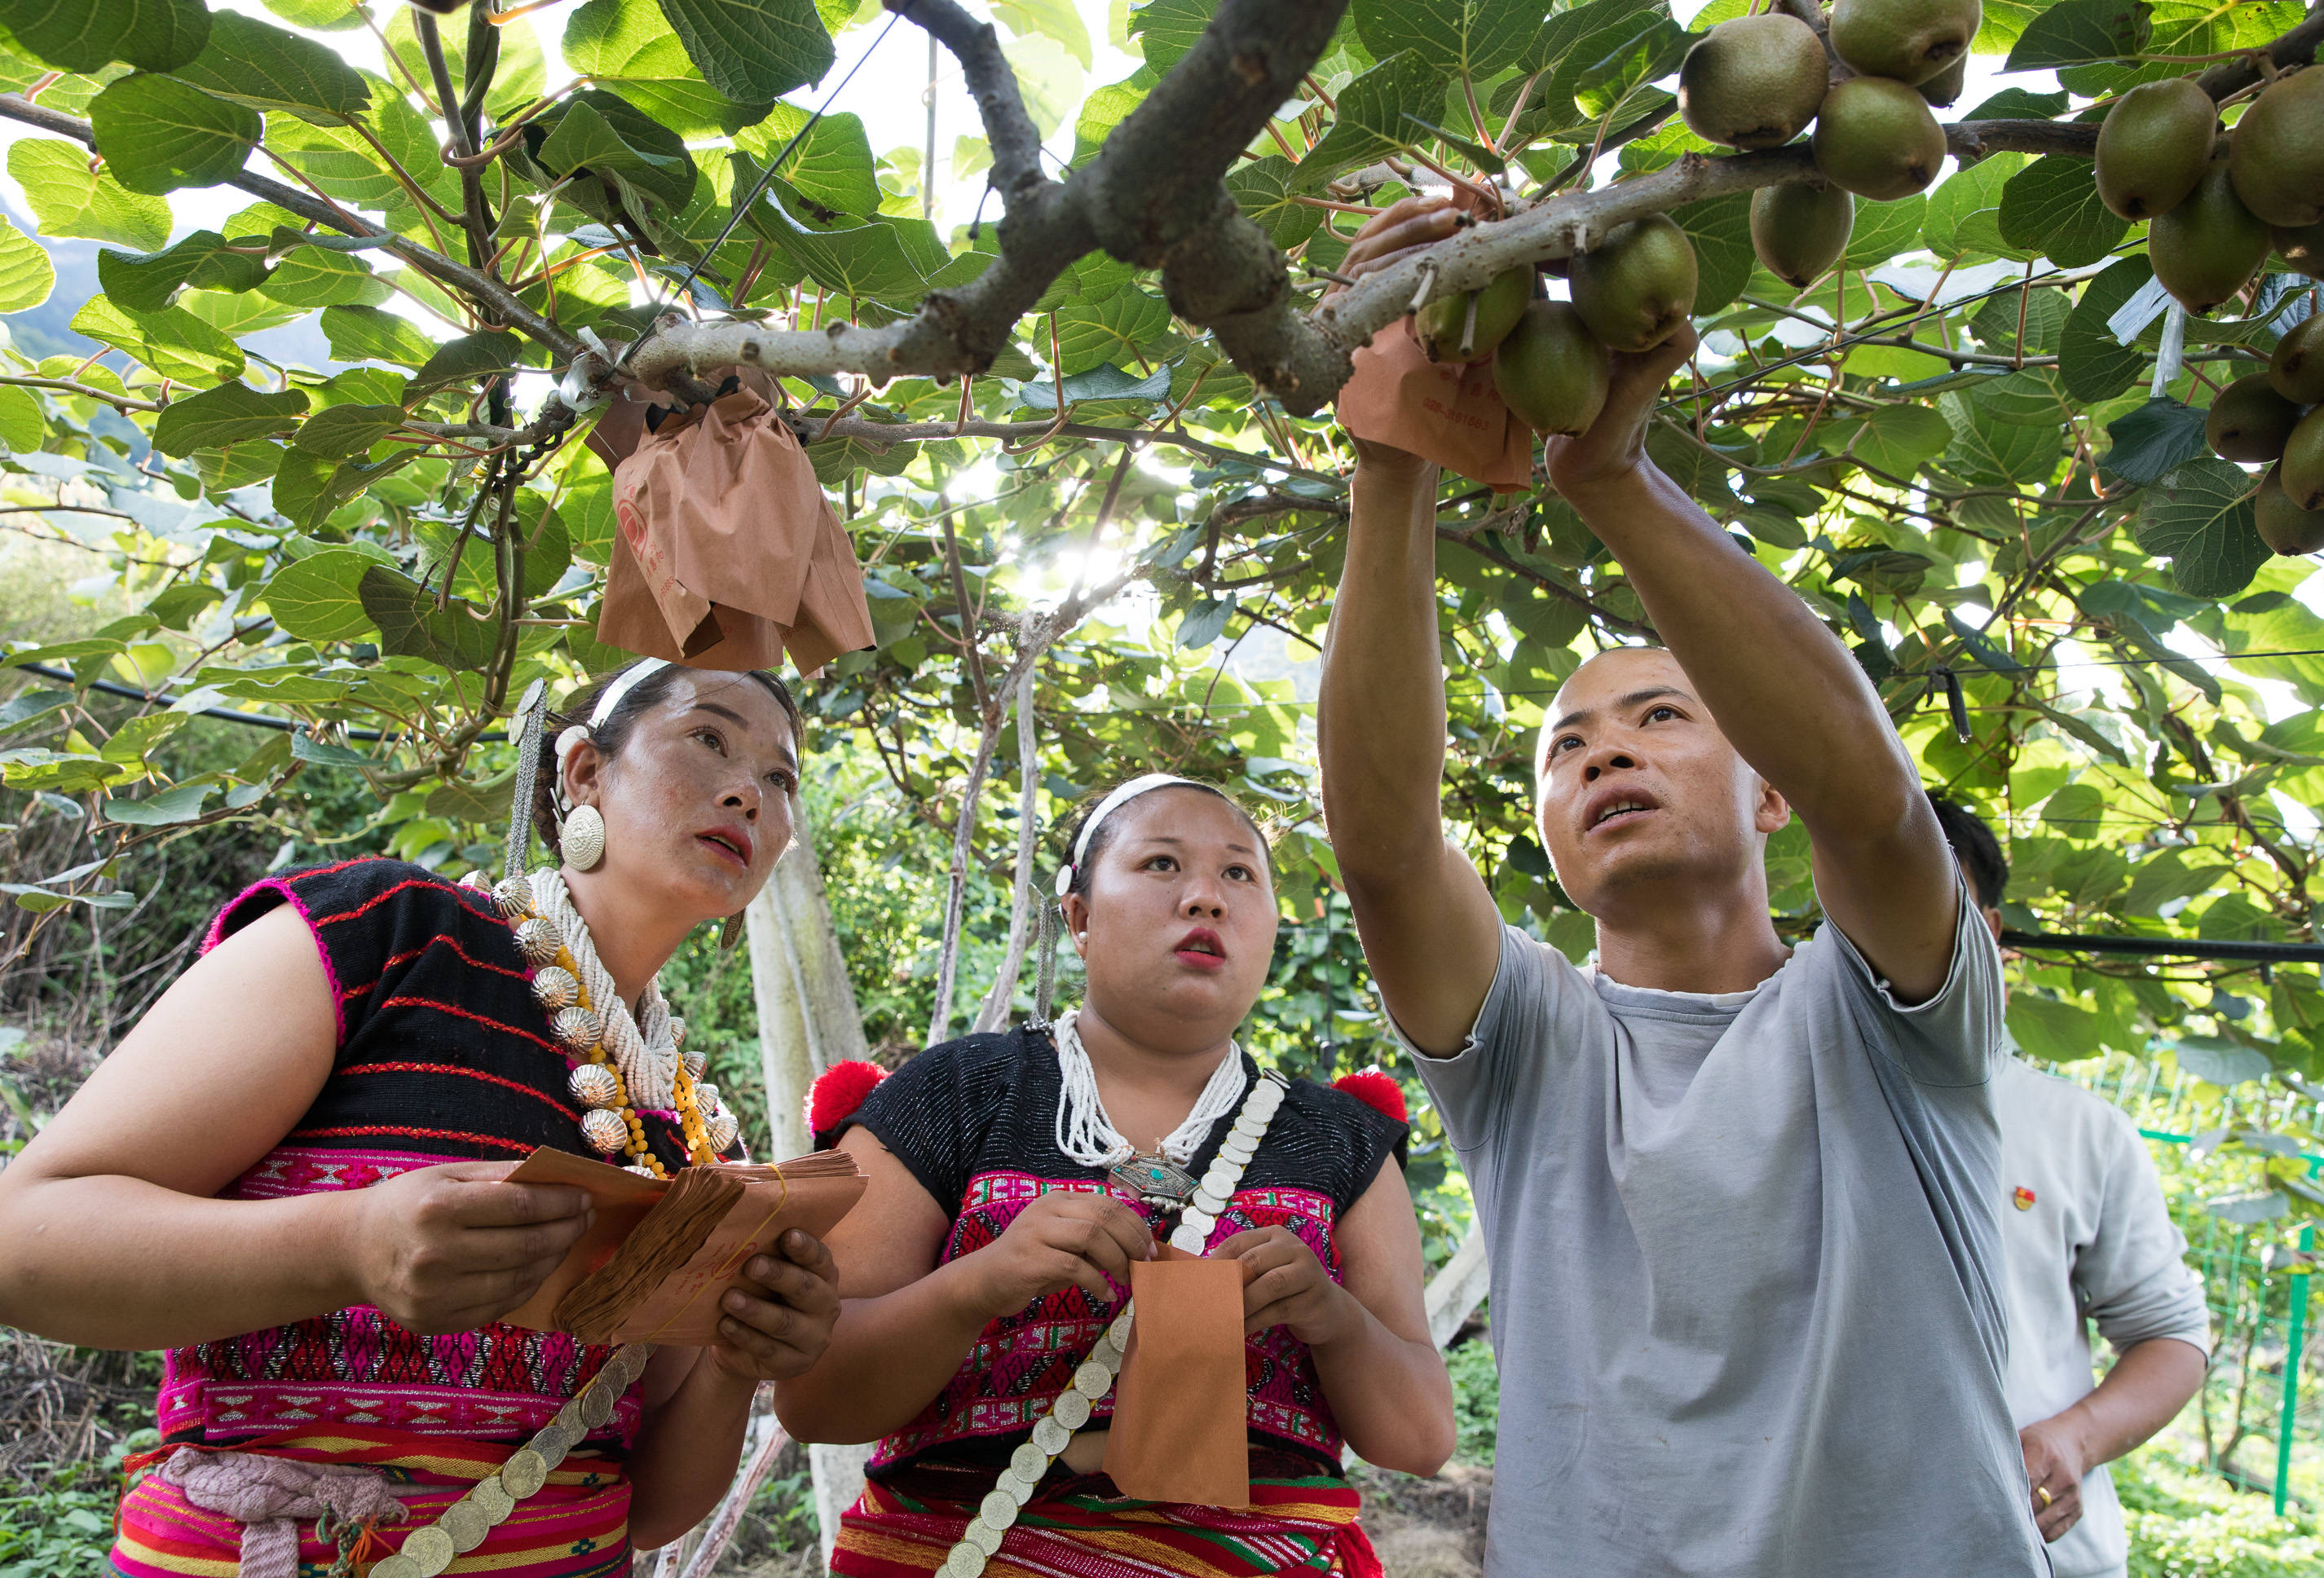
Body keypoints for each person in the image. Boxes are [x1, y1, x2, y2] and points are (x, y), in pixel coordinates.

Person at [1316, 193, 2047, 1577]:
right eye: (1565, 748)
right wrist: (1393, 448)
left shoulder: (1888, 1015)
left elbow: (1879, 805)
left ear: (1767, 789)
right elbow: (1388, 846)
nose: (1605, 755)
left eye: (1659, 718)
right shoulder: (1534, 1046)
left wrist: (1611, 476)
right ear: (1544, 833)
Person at [0, 659, 842, 1576]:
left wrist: (734, 1362)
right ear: (584, 773)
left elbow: (645, 1507)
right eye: (711, 738)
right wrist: (348, 1243)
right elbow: (24, 1241)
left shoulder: (699, 1136)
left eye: (780, 777)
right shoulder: (388, 932)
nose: (746, 793)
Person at [779, 774, 1453, 1578]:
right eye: (1162, 863)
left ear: (1272, 925)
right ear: (1081, 916)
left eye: (1240, 873)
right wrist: (980, 1284)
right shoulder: (951, 1093)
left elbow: (1418, 1438)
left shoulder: (1341, 1140)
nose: (1206, 897)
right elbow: (812, 1396)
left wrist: (1331, 1316)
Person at [1930, 795, 2211, 1576]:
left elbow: (2171, 1337)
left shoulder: (2081, 1130)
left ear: (1987, 933)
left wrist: (2073, 1439)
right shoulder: (1776, 1104)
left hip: (2034, 1554)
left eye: (1923, 888)